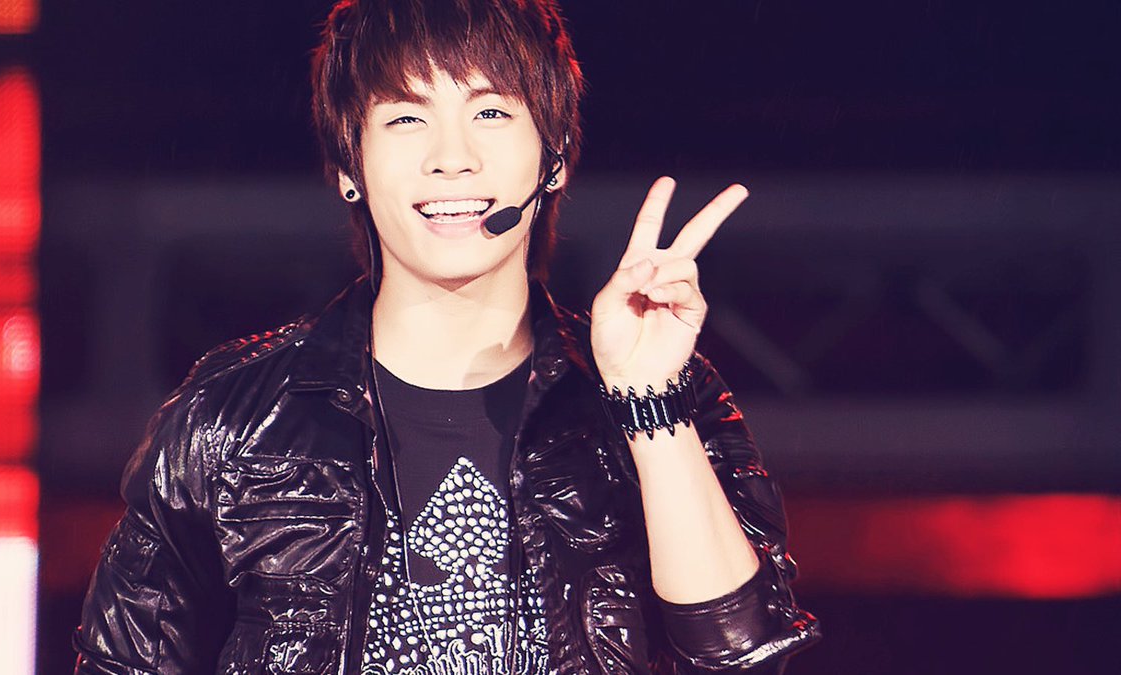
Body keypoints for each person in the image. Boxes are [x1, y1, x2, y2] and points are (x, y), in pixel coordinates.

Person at [73, 0, 820, 672]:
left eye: (490, 112)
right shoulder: (231, 419)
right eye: (407, 118)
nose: (452, 157)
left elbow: (742, 659)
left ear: (554, 156)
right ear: (349, 165)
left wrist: (647, 403)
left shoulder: (663, 394)